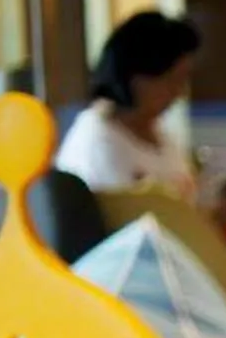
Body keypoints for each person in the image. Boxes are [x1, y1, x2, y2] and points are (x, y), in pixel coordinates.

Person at [55, 11, 202, 198]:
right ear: (137, 78)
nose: (179, 93)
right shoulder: (98, 141)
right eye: (173, 81)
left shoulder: (162, 137)